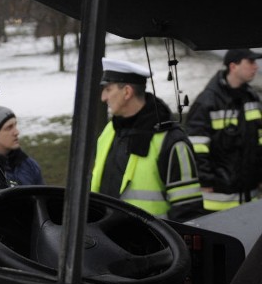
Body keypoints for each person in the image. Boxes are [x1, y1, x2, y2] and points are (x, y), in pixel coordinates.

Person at [91, 58, 204, 222]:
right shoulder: (110, 130)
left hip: (154, 246)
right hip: (105, 238)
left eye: (108, 89)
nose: (103, 97)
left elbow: (187, 212)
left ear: (127, 92)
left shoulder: (171, 141)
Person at [185, 48, 262, 212]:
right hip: (219, 198)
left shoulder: (252, 98)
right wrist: (205, 180)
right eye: (250, 62)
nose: (256, 67)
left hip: (251, 194)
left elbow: (260, 139)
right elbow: (196, 146)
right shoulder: (207, 102)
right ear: (233, 66)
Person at [0, 105, 44, 185]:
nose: (16, 132)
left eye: (15, 125)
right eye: (9, 128)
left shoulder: (29, 164)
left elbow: (43, 196)